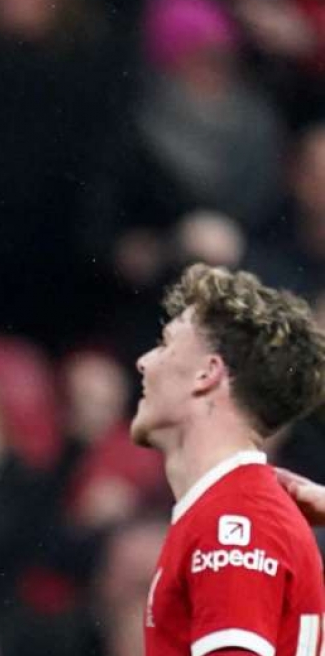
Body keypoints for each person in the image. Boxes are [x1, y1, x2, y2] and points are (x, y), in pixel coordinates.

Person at [131, 263, 325, 656]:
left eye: (166, 344)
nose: (145, 361)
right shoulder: (231, 510)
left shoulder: (233, 521)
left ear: (207, 374)